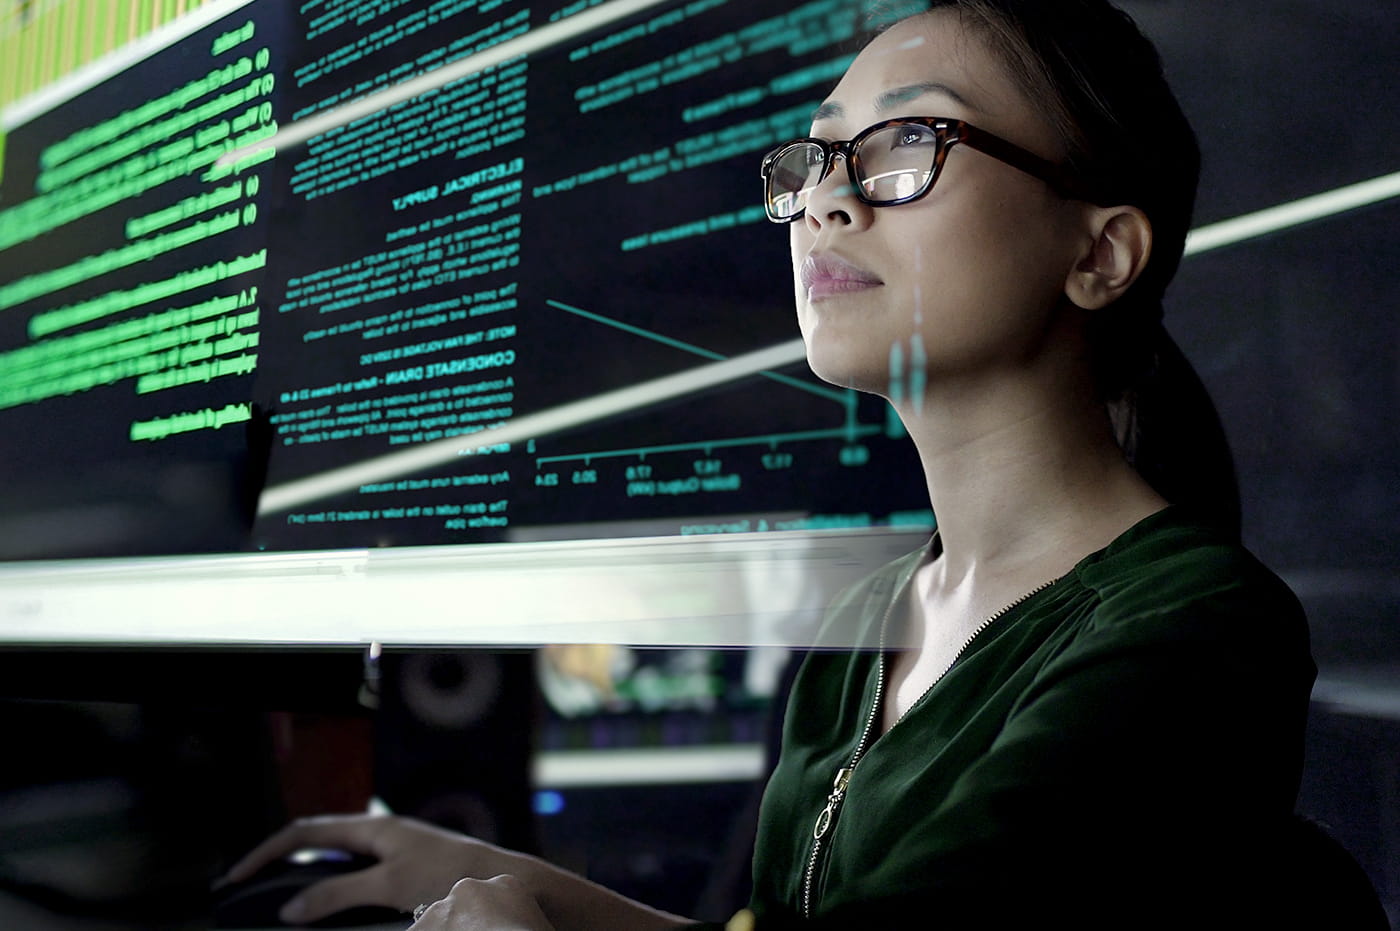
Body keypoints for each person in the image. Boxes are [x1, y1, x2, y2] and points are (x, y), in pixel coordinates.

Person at [223, 1, 1318, 927]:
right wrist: (526, 889)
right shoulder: (876, 616)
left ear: (1097, 253)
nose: (825, 202)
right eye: (815, 157)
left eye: (905, 147)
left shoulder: (1193, 628)